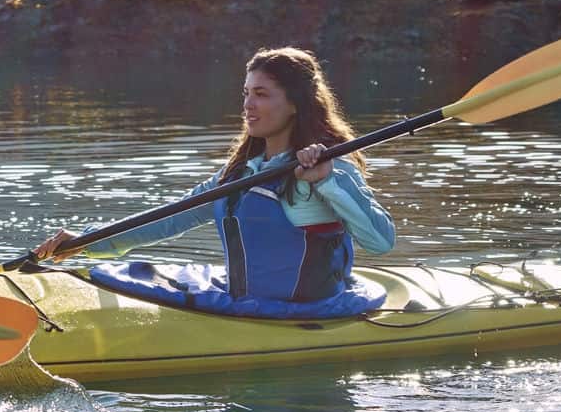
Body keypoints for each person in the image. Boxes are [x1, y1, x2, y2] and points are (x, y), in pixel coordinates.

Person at [36, 47, 394, 306]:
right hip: (244, 306)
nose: (247, 106)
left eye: (261, 94)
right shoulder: (240, 174)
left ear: (296, 103)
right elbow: (172, 217)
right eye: (246, 94)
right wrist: (86, 242)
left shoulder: (330, 168)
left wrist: (327, 179)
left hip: (312, 313)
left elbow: (381, 241)